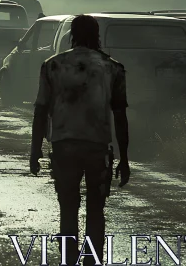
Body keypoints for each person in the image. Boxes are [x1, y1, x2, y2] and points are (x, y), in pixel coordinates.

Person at [30, 14, 130, 266]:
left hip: (64, 145)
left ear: (71, 34)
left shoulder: (53, 65)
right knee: (96, 210)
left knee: (68, 209)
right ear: (96, 35)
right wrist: (125, 158)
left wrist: (34, 151)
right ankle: (92, 261)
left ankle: (69, 261)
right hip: (97, 147)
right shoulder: (112, 67)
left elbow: (40, 110)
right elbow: (120, 115)